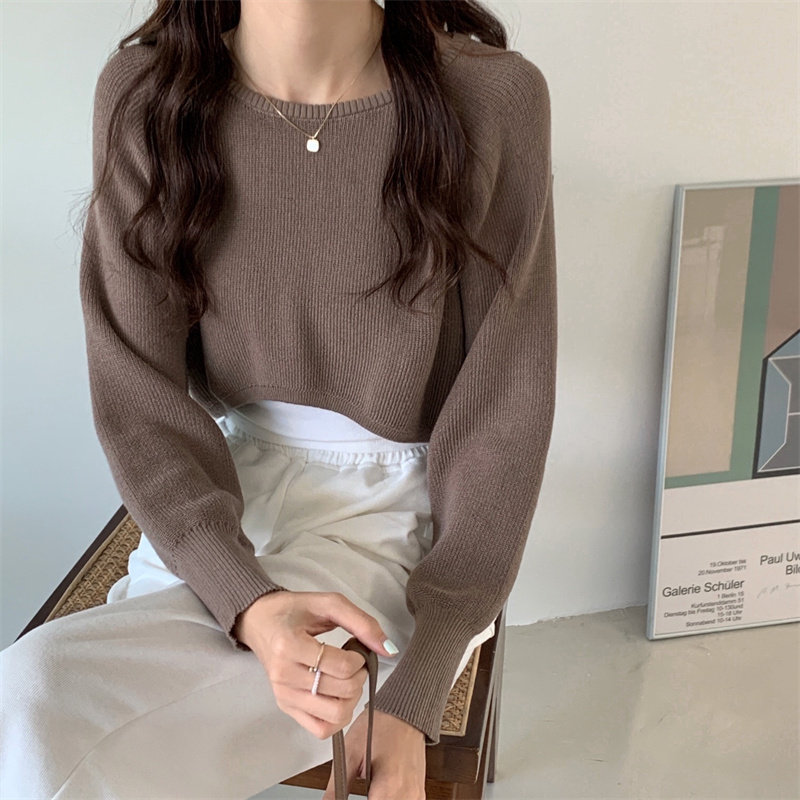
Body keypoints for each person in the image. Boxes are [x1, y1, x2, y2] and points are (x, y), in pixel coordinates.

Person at [0, 0, 557, 797]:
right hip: (219, 495)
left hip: (400, 516)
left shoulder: (490, 98)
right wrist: (247, 602)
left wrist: (417, 690)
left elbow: (504, 412)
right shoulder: (148, 94)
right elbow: (137, 401)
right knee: (28, 698)